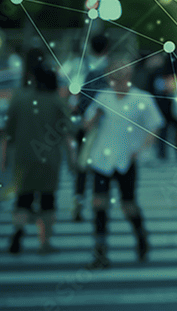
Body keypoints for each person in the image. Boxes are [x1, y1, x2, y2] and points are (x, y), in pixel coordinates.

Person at [84, 56, 164, 269]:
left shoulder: (142, 98)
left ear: (129, 76)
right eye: (113, 78)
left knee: (128, 205)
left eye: (120, 77)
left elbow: (155, 126)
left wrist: (141, 149)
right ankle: (100, 252)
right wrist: (93, 118)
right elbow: (87, 123)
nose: (117, 82)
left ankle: (141, 236)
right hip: (102, 157)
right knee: (99, 203)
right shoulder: (104, 97)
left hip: (126, 159)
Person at [3, 50, 72, 254]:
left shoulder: (19, 98)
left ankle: (17, 233)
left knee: (23, 198)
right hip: (49, 159)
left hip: (23, 158)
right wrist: (73, 159)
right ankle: (44, 242)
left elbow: (8, 131)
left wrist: (3, 157)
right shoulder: (56, 101)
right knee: (47, 200)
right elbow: (68, 132)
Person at [72, 33, 110, 222]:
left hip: (84, 125)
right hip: (104, 127)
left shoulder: (78, 67)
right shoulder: (112, 69)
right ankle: (99, 204)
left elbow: (73, 98)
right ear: (106, 49)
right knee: (100, 168)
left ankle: (78, 202)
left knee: (82, 166)